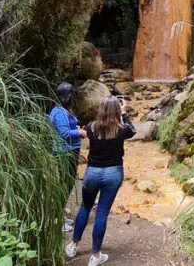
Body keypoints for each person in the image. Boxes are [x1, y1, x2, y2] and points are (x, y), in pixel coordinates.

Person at [65, 96, 135, 266]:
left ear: (101, 110)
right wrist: (124, 112)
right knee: (101, 213)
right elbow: (133, 131)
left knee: (85, 208)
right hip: (113, 174)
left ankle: (73, 245)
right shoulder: (122, 129)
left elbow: (84, 132)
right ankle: (95, 255)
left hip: (92, 173)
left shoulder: (91, 127)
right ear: (117, 111)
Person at [49, 82, 85, 232]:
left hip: (68, 151)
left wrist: (75, 128)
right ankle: (56, 219)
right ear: (68, 96)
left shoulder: (60, 110)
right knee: (64, 185)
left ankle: (59, 215)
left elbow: (64, 128)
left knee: (66, 183)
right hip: (65, 152)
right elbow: (64, 133)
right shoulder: (60, 113)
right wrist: (81, 133)